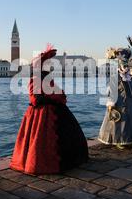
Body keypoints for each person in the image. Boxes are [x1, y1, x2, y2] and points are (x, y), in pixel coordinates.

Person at [10, 44, 88, 174]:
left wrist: (56, 96)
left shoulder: (45, 77)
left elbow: (52, 92)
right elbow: (35, 99)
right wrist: (54, 97)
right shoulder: (36, 78)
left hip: (54, 111)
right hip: (43, 115)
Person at [98, 47, 132, 149]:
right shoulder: (115, 76)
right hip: (119, 103)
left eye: (126, 64)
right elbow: (111, 90)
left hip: (131, 102)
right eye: (124, 64)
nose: (126, 66)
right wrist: (111, 104)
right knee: (120, 122)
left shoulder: (129, 77)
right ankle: (119, 141)